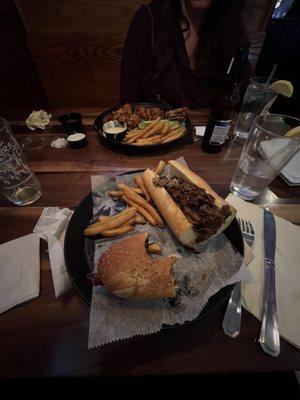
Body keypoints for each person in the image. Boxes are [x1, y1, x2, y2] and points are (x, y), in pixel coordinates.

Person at [120, 0, 252, 108]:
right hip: (151, 136)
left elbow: (244, 104)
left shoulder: (231, 26)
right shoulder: (148, 19)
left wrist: (229, 22)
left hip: (209, 137)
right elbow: (126, 106)